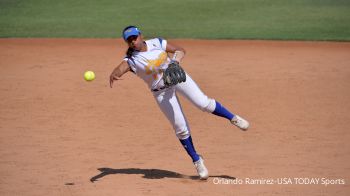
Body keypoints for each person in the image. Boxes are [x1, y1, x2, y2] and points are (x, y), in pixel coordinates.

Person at [109, 26, 249, 180]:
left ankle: (233, 118)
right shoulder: (131, 60)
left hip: (177, 78)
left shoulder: (156, 42)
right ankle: (197, 160)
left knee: (203, 103)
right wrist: (114, 75)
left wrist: (175, 62)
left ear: (141, 36)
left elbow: (181, 50)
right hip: (161, 92)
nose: (133, 41)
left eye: (134, 37)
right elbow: (118, 69)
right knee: (180, 128)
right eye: (129, 40)